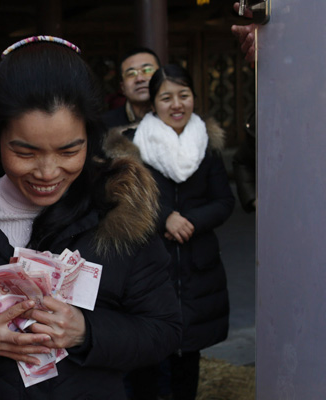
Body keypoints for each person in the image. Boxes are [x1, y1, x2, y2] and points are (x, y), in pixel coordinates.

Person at [0, 36, 182, 399]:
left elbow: (164, 329)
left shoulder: (118, 213)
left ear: (90, 138)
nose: (48, 172)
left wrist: (86, 331)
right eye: (25, 151)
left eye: (69, 150)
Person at [111, 64, 234, 400]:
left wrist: (189, 220)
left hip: (197, 268)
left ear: (194, 97)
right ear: (153, 104)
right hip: (151, 266)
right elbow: (123, 201)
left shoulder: (206, 143)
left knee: (188, 356)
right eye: (167, 97)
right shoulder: (133, 145)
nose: (177, 104)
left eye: (184, 95)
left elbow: (224, 201)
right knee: (150, 357)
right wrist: (165, 218)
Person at [102, 47, 161, 130]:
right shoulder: (105, 125)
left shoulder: (176, 116)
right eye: (131, 74)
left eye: (147, 70)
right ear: (122, 87)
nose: (140, 79)